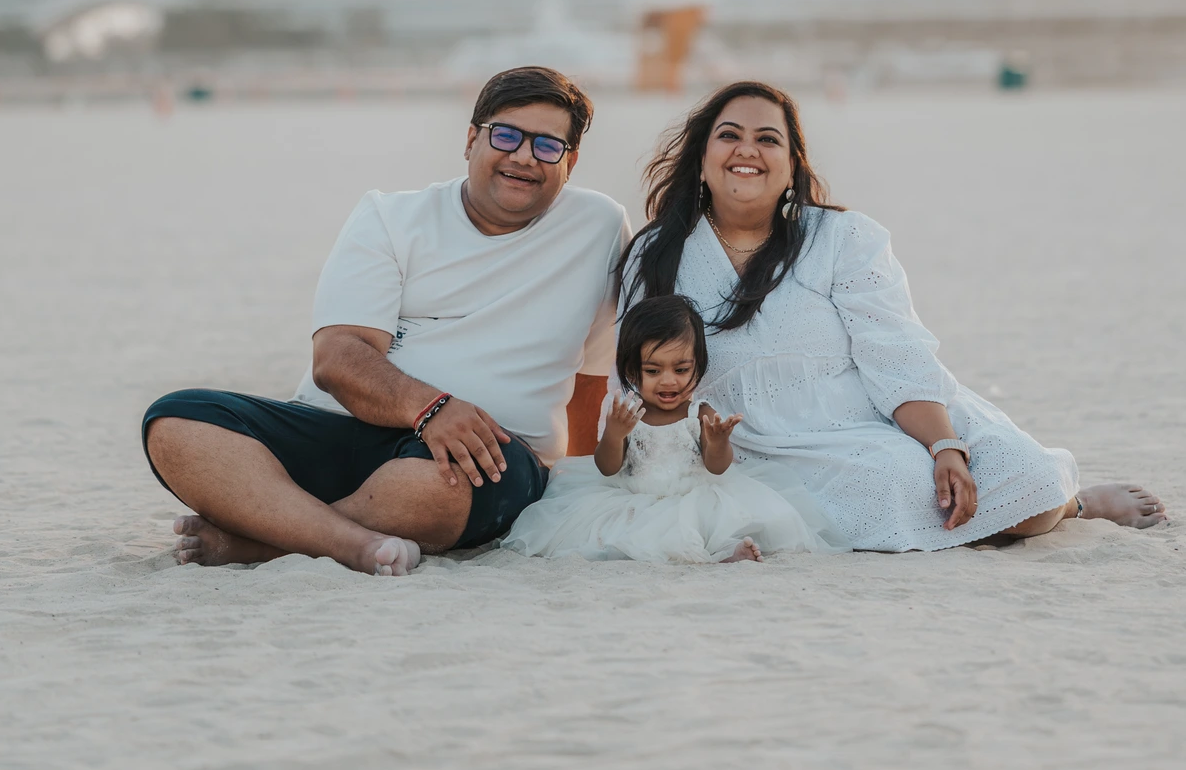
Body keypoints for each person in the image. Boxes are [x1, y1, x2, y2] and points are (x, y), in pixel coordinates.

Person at [615, 80, 1168, 552]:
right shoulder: (658, 253)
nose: (747, 150)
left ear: (791, 165)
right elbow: (635, 370)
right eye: (729, 135)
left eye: (768, 139)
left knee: (1026, 482)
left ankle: (1073, 505)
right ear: (702, 159)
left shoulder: (842, 238)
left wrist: (943, 445)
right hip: (745, 443)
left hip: (878, 410)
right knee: (894, 483)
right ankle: (979, 523)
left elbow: (894, 354)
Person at [142, 67, 630, 576]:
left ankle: (272, 540)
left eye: (547, 146)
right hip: (339, 429)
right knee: (176, 420)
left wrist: (583, 488)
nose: (524, 156)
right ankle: (342, 539)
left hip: (484, 459)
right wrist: (432, 408)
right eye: (506, 135)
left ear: (569, 163)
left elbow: (591, 377)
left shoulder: (598, 227)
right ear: (470, 140)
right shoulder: (391, 218)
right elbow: (337, 356)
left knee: (444, 485)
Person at [501, 295, 845, 563]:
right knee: (624, 536)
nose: (669, 381)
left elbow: (718, 467)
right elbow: (607, 468)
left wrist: (718, 441)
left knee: (706, 526)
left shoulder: (700, 413)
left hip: (694, 496)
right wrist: (615, 434)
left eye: (681, 369)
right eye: (653, 371)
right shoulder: (628, 413)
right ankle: (710, 556)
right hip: (635, 496)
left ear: (698, 367)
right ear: (633, 372)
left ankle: (726, 553)